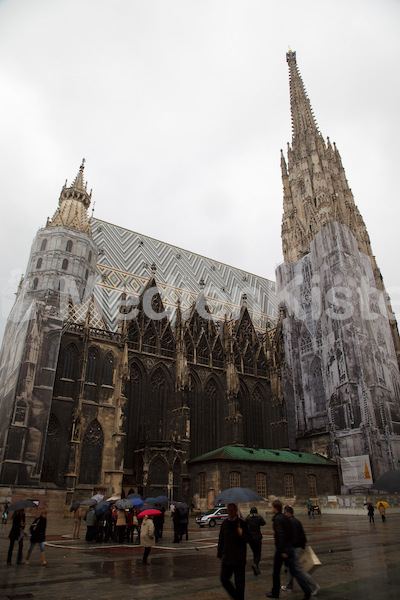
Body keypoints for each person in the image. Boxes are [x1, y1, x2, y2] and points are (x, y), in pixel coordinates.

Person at [266, 499, 311, 600]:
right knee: (294, 571)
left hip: (282, 549)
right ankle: (307, 590)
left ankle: (275, 592)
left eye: (272, 507)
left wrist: (282, 550)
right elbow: (291, 533)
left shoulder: (277, 519)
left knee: (276, 572)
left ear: (275, 508)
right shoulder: (286, 518)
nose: (272, 508)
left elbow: (280, 535)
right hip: (290, 548)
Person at [281, 506, 320, 596]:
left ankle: (314, 586)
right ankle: (289, 586)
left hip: (293, 549)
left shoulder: (288, 522)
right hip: (298, 548)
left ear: (288, 513)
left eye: (284, 512)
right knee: (291, 568)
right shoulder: (297, 521)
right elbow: (303, 535)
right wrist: (302, 547)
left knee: (299, 570)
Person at [217, 502, 251, 600]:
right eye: (229, 510)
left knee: (240, 584)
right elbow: (221, 539)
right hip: (227, 557)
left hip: (239, 559)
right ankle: (236, 597)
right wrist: (219, 554)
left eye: (232, 510)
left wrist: (242, 534)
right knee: (224, 579)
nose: (230, 512)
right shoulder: (225, 523)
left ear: (236, 511)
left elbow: (249, 539)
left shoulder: (242, 524)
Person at [246, 506, 266, 575]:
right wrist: (259, 516)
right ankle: (255, 564)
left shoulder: (248, 518)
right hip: (257, 537)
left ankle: (256, 568)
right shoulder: (258, 518)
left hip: (251, 538)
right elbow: (264, 523)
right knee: (258, 553)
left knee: (255, 553)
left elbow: (245, 523)